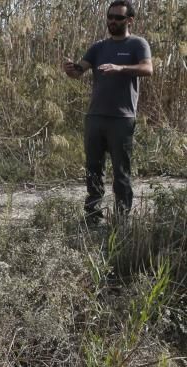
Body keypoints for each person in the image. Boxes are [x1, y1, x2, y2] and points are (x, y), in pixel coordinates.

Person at [64, 0, 153, 223]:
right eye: (110, 16)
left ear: (129, 20)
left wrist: (120, 68)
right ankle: (93, 215)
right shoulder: (98, 47)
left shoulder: (137, 44)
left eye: (118, 18)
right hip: (95, 116)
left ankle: (122, 217)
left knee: (121, 171)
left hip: (122, 118)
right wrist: (70, 69)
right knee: (93, 168)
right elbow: (79, 71)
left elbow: (147, 69)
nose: (112, 21)